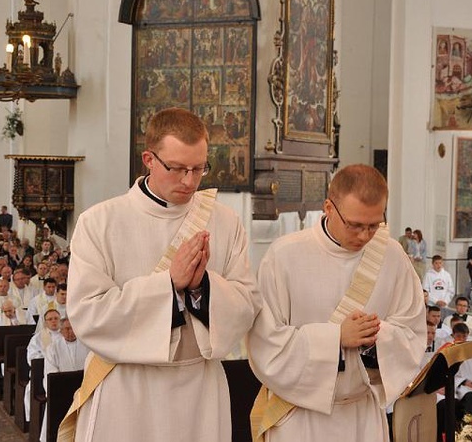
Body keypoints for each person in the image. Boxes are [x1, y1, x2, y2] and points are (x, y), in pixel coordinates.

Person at [65, 108, 260, 441]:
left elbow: (247, 306)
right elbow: (87, 313)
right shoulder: (99, 222)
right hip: (127, 389)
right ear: (149, 159)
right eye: (177, 168)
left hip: (199, 387)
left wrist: (203, 287)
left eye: (199, 168)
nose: (189, 181)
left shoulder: (226, 222)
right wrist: (168, 285)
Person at [247, 164, 426, 442]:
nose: (365, 236)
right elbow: (265, 343)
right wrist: (336, 338)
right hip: (301, 417)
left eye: (374, 225)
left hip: (361, 414)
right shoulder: (284, 256)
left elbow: (412, 331)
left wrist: (376, 339)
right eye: (355, 225)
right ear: (328, 208)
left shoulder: (392, 255)